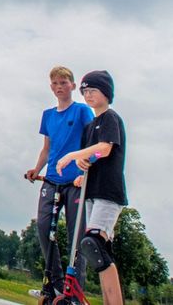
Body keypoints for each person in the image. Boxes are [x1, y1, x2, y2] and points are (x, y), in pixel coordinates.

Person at [24, 66, 95, 303]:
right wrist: (37, 169)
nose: (59, 87)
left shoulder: (82, 111)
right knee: (45, 229)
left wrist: (87, 171)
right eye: (54, 83)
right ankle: (54, 285)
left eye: (63, 83)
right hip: (52, 179)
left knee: (76, 237)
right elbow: (47, 148)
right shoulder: (48, 115)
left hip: (75, 180)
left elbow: (95, 143)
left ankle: (75, 292)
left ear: (73, 86)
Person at [56, 70, 126, 305]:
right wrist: (83, 167)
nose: (87, 95)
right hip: (92, 192)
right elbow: (94, 155)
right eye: (85, 91)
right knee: (98, 249)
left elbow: (105, 149)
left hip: (108, 191)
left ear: (106, 92)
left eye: (92, 90)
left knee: (93, 244)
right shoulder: (91, 126)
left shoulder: (110, 118)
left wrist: (73, 155)